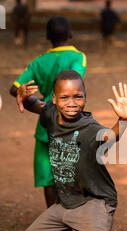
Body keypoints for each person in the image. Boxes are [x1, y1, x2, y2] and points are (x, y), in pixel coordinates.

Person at [16, 69, 127, 231]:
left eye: (78, 97)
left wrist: (124, 120)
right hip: (67, 202)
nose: (72, 103)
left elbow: (109, 136)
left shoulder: (89, 129)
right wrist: (23, 95)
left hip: (95, 200)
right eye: (65, 97)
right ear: (54, 99)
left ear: (85, 98)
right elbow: (35, 104)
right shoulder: (49, 113)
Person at [9, 16, 87, 208]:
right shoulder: (78, 57)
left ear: (47, 36)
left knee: (49, 177)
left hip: (45, 124)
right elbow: (74, 82)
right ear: (70, 34)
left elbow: (15, 88)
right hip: (71, 123)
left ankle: (54, 221)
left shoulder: (38, 62)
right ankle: (73, 223)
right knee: (72, 173)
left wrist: (33, 101)